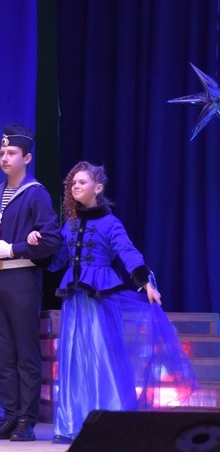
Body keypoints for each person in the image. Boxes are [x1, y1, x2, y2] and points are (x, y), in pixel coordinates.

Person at [27, 161, 199, 444]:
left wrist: (145, 282)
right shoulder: (70, 224)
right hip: (75, 298)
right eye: (73, 183)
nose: (75, 186)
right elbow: (58, 260)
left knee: (102, 355)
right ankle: (72, 423)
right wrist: (38, 244)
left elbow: (127, 251)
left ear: (98, 187)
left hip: (100, 296)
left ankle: (110, 421)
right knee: (74, 358)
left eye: (82, 182)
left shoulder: (110, 223)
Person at [0, 125, 61, 442]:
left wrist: (15, 248)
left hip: (21, 277)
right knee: (2, 352)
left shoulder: (36, 193)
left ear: (27, 158)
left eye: (11, 153)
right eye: (2, 152)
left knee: (26, 351)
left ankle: (27, 419)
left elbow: (51, 239)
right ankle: (10, 415)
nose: (5, 157)